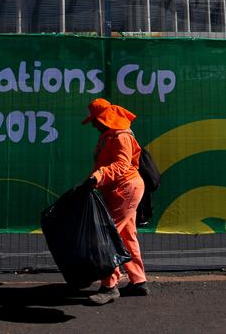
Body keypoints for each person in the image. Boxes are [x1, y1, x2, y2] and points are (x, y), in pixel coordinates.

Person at [81, 97, 148, 305]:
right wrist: (94, 180)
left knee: (106, 237)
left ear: (104, 118)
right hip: (120, 190)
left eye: (95, 120)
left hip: (126, 189)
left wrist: (99, 176)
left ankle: (109, 286)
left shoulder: (121, 137)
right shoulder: (108, 137)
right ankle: (138, 282)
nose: (93, 124)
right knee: (126, 235)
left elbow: (121, 165)